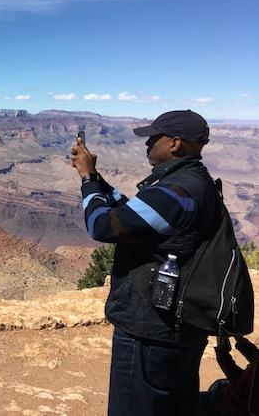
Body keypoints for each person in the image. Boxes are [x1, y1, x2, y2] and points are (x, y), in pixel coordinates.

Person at [70, 109, 219, 416]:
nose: (147, 144)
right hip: (175, 331)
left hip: (150, 334)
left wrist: (86, 180)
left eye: (154, 138)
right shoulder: (193, 183)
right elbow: (133, 215)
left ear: (174, 144)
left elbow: (103, 226)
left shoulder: (177, 191)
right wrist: (97, 179)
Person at [203, 336, 259, 415]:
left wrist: (222, 351)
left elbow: (234, 375)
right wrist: (241, 341)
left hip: (229, 406)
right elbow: (255, 358)